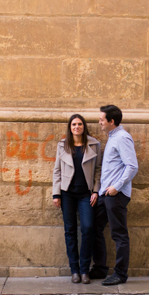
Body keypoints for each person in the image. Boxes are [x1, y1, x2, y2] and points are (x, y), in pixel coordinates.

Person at [52, 114, 102, 284]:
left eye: (79, 124)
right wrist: (56, 194)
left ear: (84, 126)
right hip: (67, 194)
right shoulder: (63, 145)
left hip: (86, 194)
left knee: (88, 228)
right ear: (70, 127)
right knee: (70, 230)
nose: (77, 127)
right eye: (74, 124)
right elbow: (57, 170)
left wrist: (96, 191)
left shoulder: (94, 145)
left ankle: (84, 270)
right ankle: (74, 270)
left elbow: (98, 170)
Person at [94, 105, 139, 285]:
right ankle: (100, 268)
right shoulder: (113, 137)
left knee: (119, 234)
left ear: (111, 121)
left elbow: (132, 166)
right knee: (94, 228)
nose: (99, 123)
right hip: (106, 193)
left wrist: (116, 187)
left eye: (101, 120)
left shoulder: (122, 138)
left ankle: (120, 273)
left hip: (116, 194)